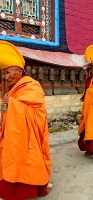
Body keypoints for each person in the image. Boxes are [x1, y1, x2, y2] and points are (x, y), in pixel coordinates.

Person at [0, 41, 51, 200]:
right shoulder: (13, 87)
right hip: (13, 132)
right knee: (12, 158)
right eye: (4, 73)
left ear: (20, 71)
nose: (5, 77)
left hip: (29, 135)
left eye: (8, 72)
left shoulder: (32, 86)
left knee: (29, 160)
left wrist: (12, 104)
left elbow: (37, 111)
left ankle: (32, 188)